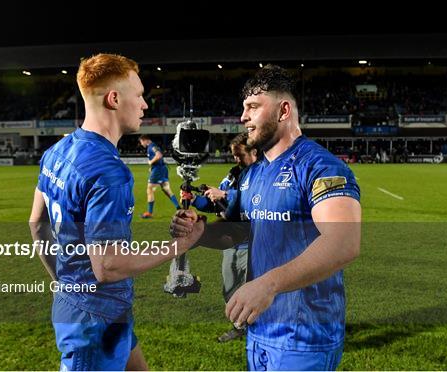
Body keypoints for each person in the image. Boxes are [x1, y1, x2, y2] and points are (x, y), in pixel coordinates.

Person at [170, 65, 361, 371]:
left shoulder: (321, 167)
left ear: (284, 110)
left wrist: (268, 285)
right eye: (243, 108)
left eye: (253, 107)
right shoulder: (253, 174)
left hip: (304, 336)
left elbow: (344, 243)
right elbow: (241, 232)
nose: (243, 117)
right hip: (260, 330)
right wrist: (199, 234)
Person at [29, 53, 203, 371]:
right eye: (138, 96)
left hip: (93, 309)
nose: (144, 105)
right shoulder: (109, 171)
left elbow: (37, 224)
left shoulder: (56, 151)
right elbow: (107, 266)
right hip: (95, 323)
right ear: (114, 99)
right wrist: (180, 246)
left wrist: (67, 285)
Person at [190, 132, 258, 342]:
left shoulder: (262, 174)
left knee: (252, 291)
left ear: (253, 152)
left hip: (253, 244)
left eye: (239, 155)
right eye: (233, 155)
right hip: (230, 242)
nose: (236, 159)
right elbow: (214, 205)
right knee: (229, 288)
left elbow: (257, 201)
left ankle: (257, 332)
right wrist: (195, 199)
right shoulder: (232, 174)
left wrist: (227, 196)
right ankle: (239, 327)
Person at [138, 134, 180, 218]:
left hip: (158, 170)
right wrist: (152, 167)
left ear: (145, 140)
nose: (141, 144)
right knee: (166, 190)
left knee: (149, 189)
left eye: (141, 142)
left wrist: (151, 162)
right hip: (162, 169)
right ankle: (179, 208)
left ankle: (149, 213)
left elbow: (159, 155)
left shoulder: (151, 146)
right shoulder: (153, 146)